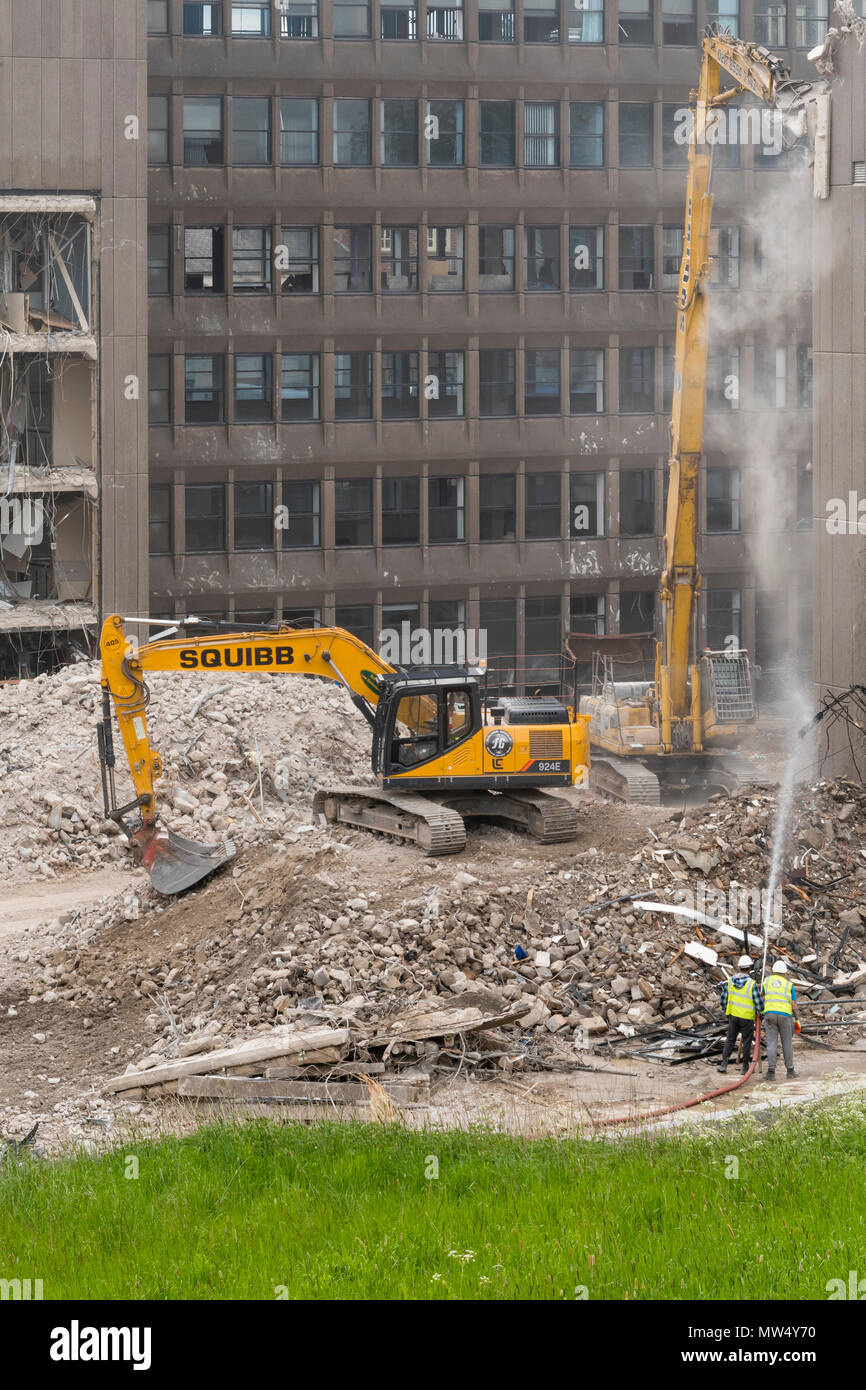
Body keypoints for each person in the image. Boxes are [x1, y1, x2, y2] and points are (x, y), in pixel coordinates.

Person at [717, 955, 763, 1075]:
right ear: (750, 968)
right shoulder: (751, 984)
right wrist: (761, 1012)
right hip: (747, 1018)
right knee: (747, 1041)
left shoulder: (731, 981)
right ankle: (745, 1067)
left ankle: (723, 1064)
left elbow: (723, 998)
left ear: (740, 967)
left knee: (730, 1039)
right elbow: (758, 1002)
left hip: (733, 1015)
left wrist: (725, 1009)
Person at [762, 959, 800, 1080]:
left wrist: (760, 1011)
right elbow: (794, 1004)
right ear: (784, 972)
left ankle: (771, 1072)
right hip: (785, 1016)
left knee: (772, 1043)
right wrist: (797, 1019)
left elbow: (761, 996)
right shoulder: (789, 985)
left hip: (770, 1015)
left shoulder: (766, 981)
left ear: (773, 971)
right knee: (787, 1043)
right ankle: (790, 1071)